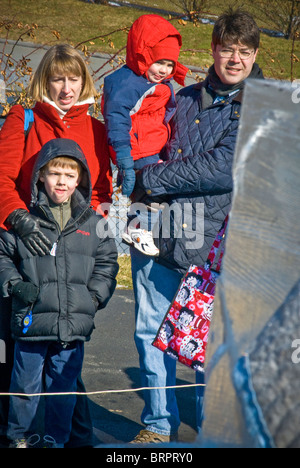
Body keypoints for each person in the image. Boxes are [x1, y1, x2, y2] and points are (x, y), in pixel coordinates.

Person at [130, 8, 264, 444]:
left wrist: (149, 179)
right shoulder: (182, 98)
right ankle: (157, 426)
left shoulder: (262, 106)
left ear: (255, 54)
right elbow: (147, 141)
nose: (235, 59)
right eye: (228, 49)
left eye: (245, 51)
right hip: (162, 233)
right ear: (214, 50)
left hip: (221, 246)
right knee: (150, 331)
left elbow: (223, 169)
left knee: (213, 350)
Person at [0, 44, 112, 448]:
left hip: (74, 252)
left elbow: (99, 190)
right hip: (23, 249)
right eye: (58, 78)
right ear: (44, 80)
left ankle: (69, 438)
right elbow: (2, 177)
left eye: (74, 78)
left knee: (66, 356)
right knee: (22, 359)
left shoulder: (96, 128)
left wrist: (86, 230)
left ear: (85, 82)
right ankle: (17, 436)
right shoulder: (24, 117)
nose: (66, 88)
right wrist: (20, 219)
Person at [102, 14, 188, 256]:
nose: (164, 70)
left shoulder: (149, 81)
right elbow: (116, 121)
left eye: (170, 64)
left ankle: (136, 226)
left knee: (150, 190)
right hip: (137, 147)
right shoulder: (128, 84)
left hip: (150, 145)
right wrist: (125, 159)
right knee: (155, 188)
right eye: (159, 62)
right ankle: (137, 228)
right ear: (143, 56)